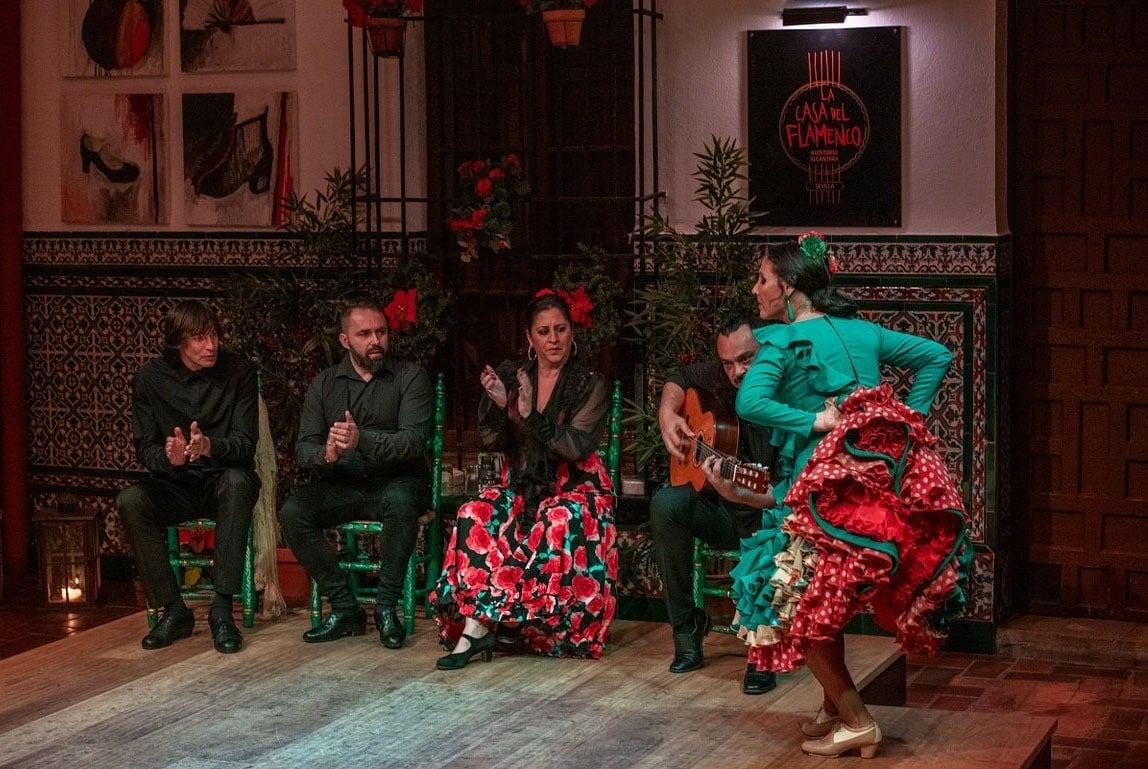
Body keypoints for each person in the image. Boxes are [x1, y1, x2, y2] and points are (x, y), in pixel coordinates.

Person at [730, 234, 972, 759]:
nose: (757, 289)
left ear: (789, 286)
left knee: (791, 601)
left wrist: (814, 419)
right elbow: (936, 355)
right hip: (872, 489)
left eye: (763, 278)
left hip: (819, 493)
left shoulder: (781, 340)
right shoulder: (863, 331)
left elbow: (749, 401)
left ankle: (857, 720)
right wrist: (906, 419)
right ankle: (833, 706)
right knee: (826, 598)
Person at [432, 289, 617, 670]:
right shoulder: (515, 376)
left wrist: (530, 414)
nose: (554, 339)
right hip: (522, 485)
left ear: (571, 332)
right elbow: (491, 441)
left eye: (561, 329)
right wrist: (502, 407)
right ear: (530, 338)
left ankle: (521, 622)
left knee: (557, 519)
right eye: (544, 331)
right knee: (474, 513)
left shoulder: (588, 383)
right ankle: (478, 624)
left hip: (576, 489)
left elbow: (575, 446)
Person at [279, 298, 433, 649]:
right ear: (345, 341)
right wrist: (327, 453)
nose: (375, 340)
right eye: (364, 334)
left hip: (398, 481)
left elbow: (412, 442)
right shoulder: (324, 384)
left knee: (400, 500)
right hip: (345, 484)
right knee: (293, 511)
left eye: (381, 332)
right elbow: (304, 448)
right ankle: (346, 608)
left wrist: (362, 440)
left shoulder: (409, 377)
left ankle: (385, 608)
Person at [117, 300, 259, 654]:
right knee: (131, 500)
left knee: (240, 482)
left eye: (214, 335)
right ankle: (173, 609)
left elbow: (245, 446)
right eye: (199, 338)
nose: (210, 346)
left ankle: (222, 611)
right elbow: (145, 447)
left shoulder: (239, 371)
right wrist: (170, 458)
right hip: (175, 483)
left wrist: (209, 446)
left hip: (221, 481)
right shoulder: (150, 378)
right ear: (178, 341)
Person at [649, 315, 779, 696]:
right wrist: (667, 414)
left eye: (746, 360)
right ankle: (687, 630)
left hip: (764, 510)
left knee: (768, 530)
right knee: (666, 502)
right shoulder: (721, 375)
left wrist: (744, 490)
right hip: (724, 510)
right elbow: (680, 377)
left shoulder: (786, 393)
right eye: (727, 363)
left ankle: (763, 651)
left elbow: (787, 486)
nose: (735, 372)